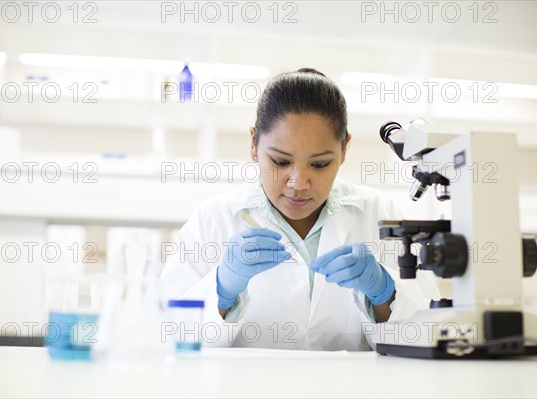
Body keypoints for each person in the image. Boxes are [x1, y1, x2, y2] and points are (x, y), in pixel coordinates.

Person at [159, 68, 437, 351]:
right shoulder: (212, 218)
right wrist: (220, 289)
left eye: (319, 164)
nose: (298, 183)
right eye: (280, 162)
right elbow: (171, 335)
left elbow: (429, 332)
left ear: (344, 148)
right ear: (254, 144)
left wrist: (385, 294)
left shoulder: (380, 212)